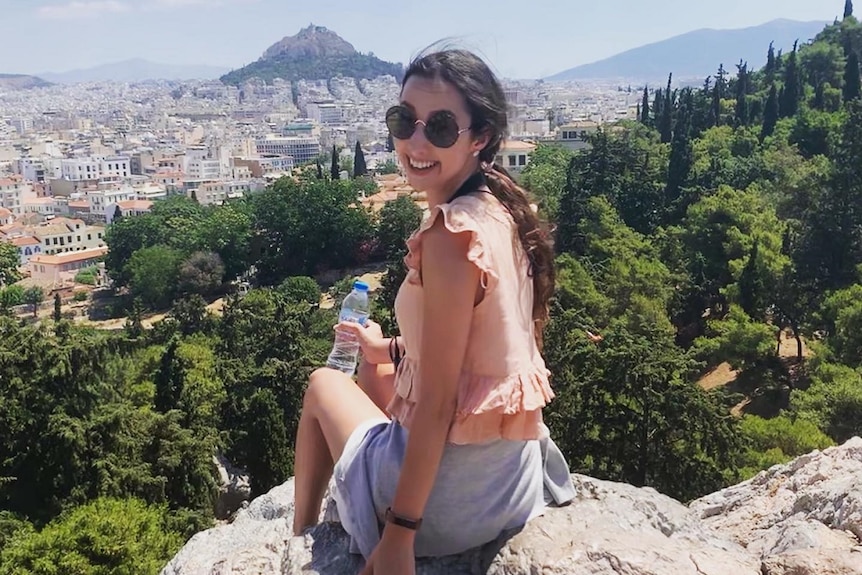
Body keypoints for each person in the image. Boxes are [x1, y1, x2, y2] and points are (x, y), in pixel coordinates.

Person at [292, 47, 575, 574]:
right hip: (508, 479)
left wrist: (400, 534)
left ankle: (304, 535)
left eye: (441, 128)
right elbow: (486, 342)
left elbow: (441, 401)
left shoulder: (451, 236)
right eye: (405, 120)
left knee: (322, 385)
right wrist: (391, 347)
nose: (416, 142)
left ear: (480, 137)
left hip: (451, 510)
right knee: (375, 367)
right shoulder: (502, 208)